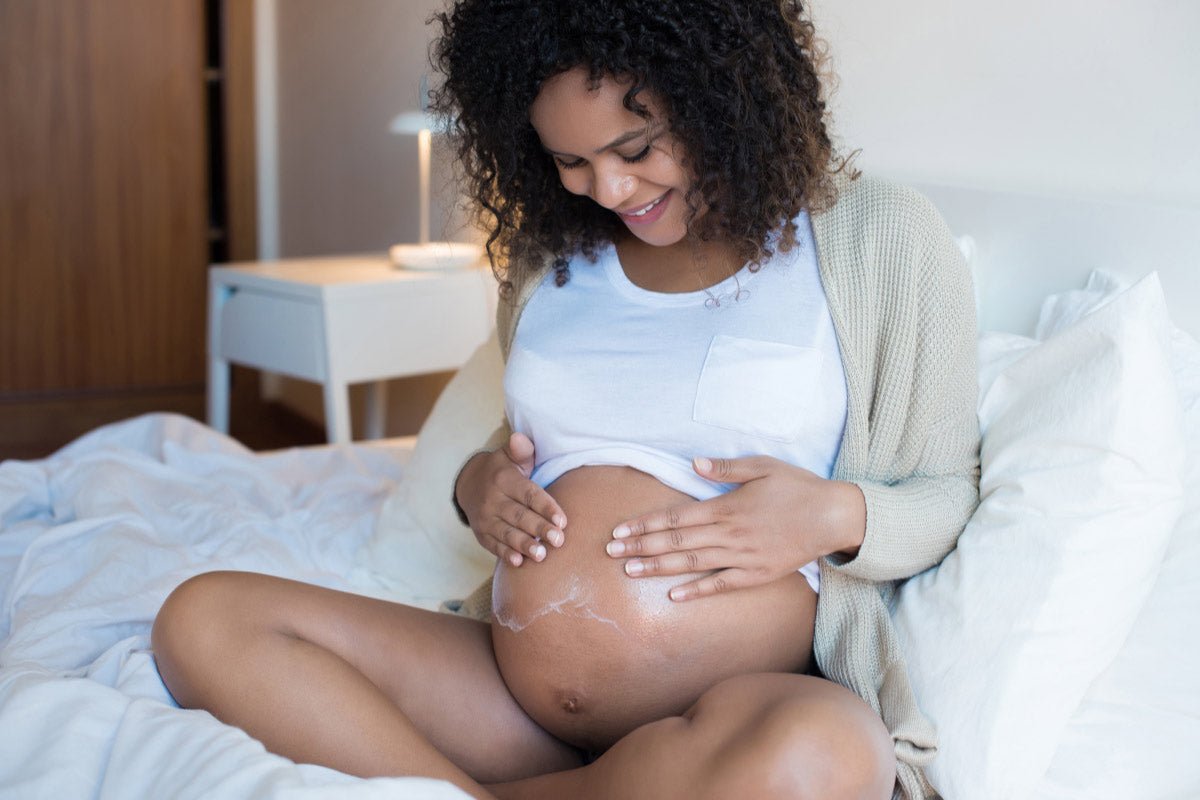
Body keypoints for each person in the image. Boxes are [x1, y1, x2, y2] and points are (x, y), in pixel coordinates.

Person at [151, 1, 980, 798]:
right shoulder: (550, 258)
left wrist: (832, 517)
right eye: (572, 162)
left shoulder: (880, 236)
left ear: (723, 96)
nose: (611, 190)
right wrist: (474, 486)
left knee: (829, 762)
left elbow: (948, 491)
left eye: (637, 148)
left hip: (735, 708)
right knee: (203, 620)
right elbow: (524, 442)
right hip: (514, 706)